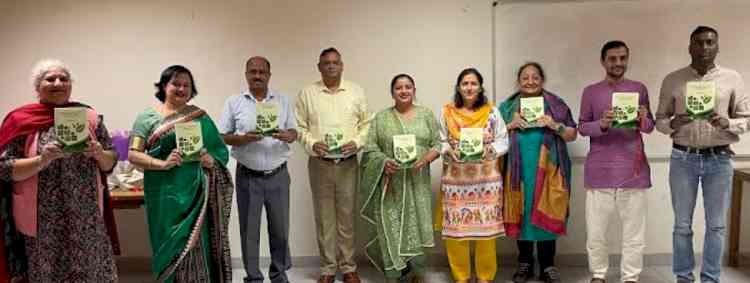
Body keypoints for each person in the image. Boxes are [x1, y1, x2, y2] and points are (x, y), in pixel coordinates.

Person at [0, 59, 118, 282]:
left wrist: (99, 153)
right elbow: (5, 168)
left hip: (86, 215)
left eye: (64, 79)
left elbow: (110, 161)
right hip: (43, 218)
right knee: (47, 273)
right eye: (50, 78)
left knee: (92, 273)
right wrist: (41, 160)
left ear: (70, 85)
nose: (58, 83)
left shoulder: (89, 117)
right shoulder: (20, 120)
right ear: (37, 87)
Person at [655, 26, 750, 283]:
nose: (705, 47)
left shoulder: (733, 79)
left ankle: (710, 279)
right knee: (682, 226)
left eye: (710, 42)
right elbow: (659, 120)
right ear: (690, 47)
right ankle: (684, 278)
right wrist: (676, 122)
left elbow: (746, 119)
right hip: (683, 158)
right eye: (699, 42)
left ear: (717, 47)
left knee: (717, 226)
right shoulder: (673, 79)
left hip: (719, 159)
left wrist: (726, 123)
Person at [128, 65, 233, 282]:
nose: (182, 88)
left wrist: (210, 160)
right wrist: (162, 164)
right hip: (163, 195)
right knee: (167, 245)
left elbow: (220, 152)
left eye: (187, 85)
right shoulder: (146, 118)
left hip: (196, 195)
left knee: (197, 242)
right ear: (164, 86)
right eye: (176, 83)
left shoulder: (200, 118)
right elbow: (133, 154)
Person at [578, 41, 655, 283]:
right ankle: (598, 274)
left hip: (633, 170)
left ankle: (630, 277)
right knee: (596, 233)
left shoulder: (639, 89)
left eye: (622, 58)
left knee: (634, 233)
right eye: (612, 59)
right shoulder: (591, 91)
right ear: (603, 61)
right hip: (599, 170)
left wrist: (643, 118)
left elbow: (650, 126)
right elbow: (581, 127)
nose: (618, 63)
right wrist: (601, 123)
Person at [218, 56, 297, 283]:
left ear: (269, 75)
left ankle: (279, 274)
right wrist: (243, 139)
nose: (257, 76)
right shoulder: (234, 102)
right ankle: (253, 277)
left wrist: (288, 135)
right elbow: (222, 136)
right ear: (246, 75)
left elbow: (294, 132)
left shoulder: (282, 100)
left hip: (278, 174)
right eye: (253, 71)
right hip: (248, 176)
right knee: (249, 231)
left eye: (262, 72)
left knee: (281, 230)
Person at [295, 47, 370, 283]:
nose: (331, 66)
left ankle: (348, 267)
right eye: (326, 63)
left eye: (335, 62)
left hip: (348, 163)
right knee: (324, 218)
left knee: (347, 217)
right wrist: (312, 143)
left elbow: (368, 123)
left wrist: (357, 143)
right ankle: (328, 269)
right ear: (319, 66)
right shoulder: (307, 93)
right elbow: (299, 127)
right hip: (320, 164)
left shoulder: (356, 91)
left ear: (342, 65)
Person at [500, 62, 577, 283]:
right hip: (518, 172)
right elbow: (491, 137)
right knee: (521, 211)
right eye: (525, 77)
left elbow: (572, 134)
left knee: (548, 208)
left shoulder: (556, 104)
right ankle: (524, 263)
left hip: (550, 171)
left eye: (535, 77)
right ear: (519, 81)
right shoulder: (507, 107)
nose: (530, 81)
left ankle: (547, 265)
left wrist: (555, 125)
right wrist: (510, 125)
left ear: (542, 80)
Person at [359, 74, 440, 283]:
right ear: (392, 92)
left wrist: (425, 160)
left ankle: (417, 274)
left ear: (414, 90)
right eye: (399, 88)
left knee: (417, 227)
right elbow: (370, 149)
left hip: (417, 182)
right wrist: (384, 162)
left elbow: (439, 144)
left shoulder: (426, 115)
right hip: (390, 185)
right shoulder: (381, 118)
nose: (404, 91)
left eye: (408, 87)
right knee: (390, 228)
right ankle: (393, 274)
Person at [438, 68, 508, 283]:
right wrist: (447, 150)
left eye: (473, 83)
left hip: (486, 181)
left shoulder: (492, 112)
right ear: (458, 87)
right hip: (456, 181)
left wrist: (492, 150)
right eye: (465, 83)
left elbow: (503, 140)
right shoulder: (447, 112)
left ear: (480, 87)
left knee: (485, 232)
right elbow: (439, 140)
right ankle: (461, 277)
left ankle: (485, 277)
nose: (469, 87)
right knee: (456, 232)